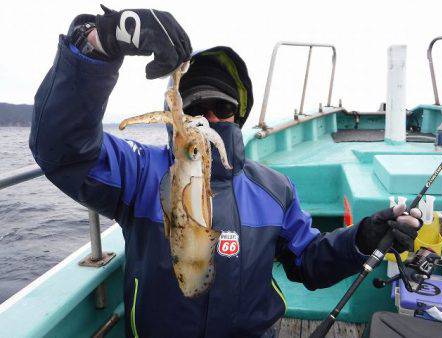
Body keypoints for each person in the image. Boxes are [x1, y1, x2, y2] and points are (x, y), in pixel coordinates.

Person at [29, 6, 421, 338]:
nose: (210, 120)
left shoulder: (274, 189)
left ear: (239, 114)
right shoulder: (140, 174)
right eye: (196, 107)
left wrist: (363, 238)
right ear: (178, 115)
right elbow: (62, 149)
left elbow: (309, 262)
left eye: (222, 107)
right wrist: (100, 41)